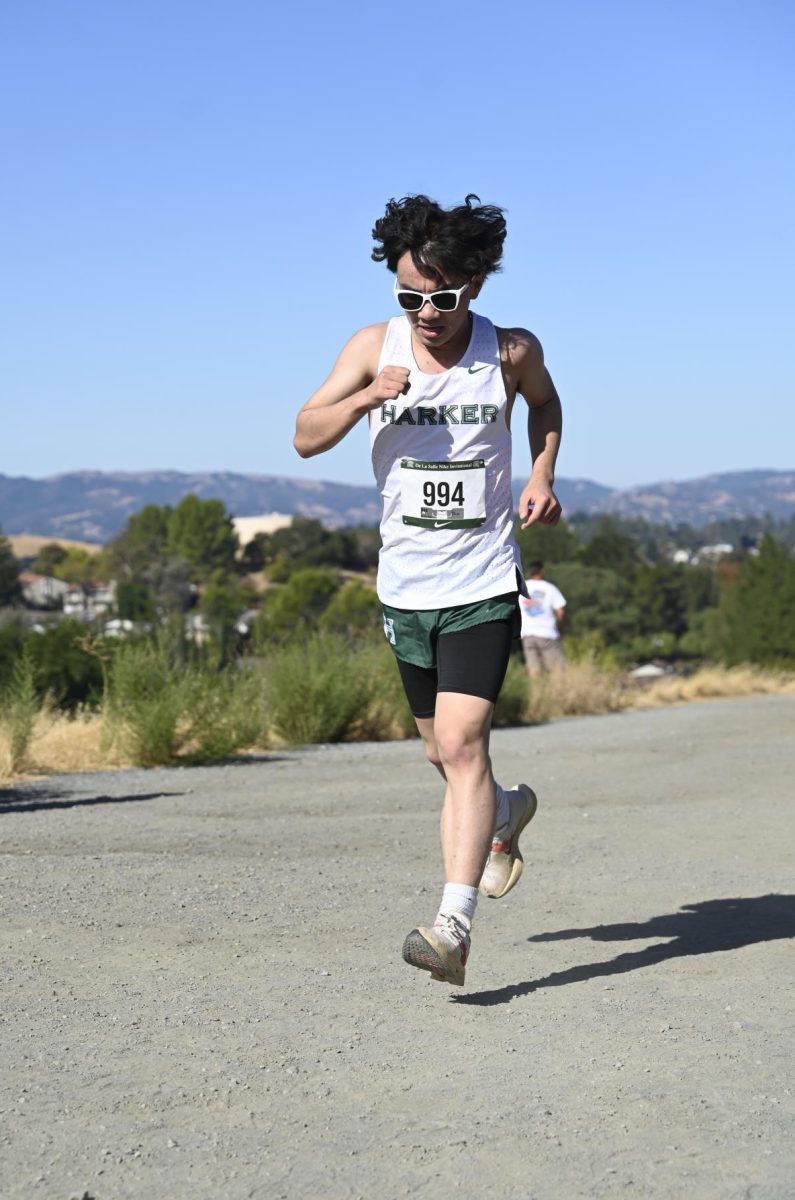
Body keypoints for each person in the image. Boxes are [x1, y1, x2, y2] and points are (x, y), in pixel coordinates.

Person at [294, 194, 562, 987]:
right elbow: (305, 435)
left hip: (481, 581)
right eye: (409, 296)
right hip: (403, 589)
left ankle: (452, 926)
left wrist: (541, 472)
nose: (425, 312)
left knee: (460, 744)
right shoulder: (371, 347)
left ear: (473, 284)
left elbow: (544, 405)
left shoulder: (508, 351)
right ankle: (505, 811)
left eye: (440, 297)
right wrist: (362, 398)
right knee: (436, 752)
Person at [519, 560, 567, 673]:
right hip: (547, 633)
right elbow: (561, 612)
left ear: (529, 572)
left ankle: (537, 690)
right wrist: (562, 626)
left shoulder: (522, 587)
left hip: (527, 634)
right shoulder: (550, 588)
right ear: (542, 572)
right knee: (557, 669)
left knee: (534, 670)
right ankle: (558, 690)